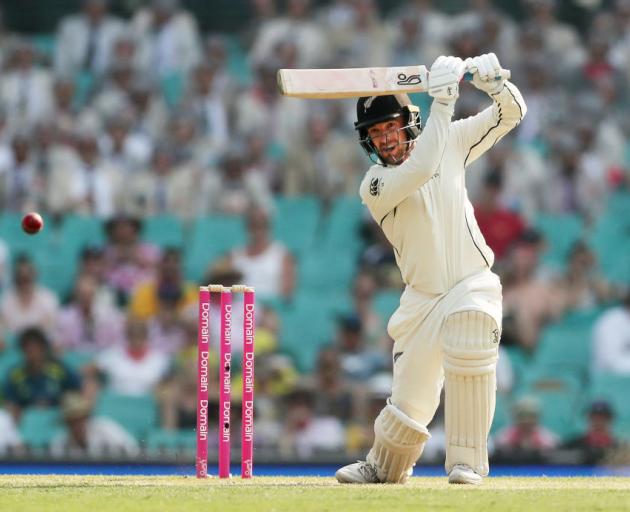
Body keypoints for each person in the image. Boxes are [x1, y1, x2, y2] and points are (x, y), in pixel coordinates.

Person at [335, 53, 526, 485]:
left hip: (471, 282)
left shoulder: (453, 138)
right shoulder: (375, 184)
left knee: (471, 333)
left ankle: (467, 463)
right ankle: (384, 466)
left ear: (408, 121)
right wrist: (443, 101)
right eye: (375, 132)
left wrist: (494, 84)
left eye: (390, 127)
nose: (385, 139)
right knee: (411, 401)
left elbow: (512, 114)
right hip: (421, 299)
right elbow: (423, 167)